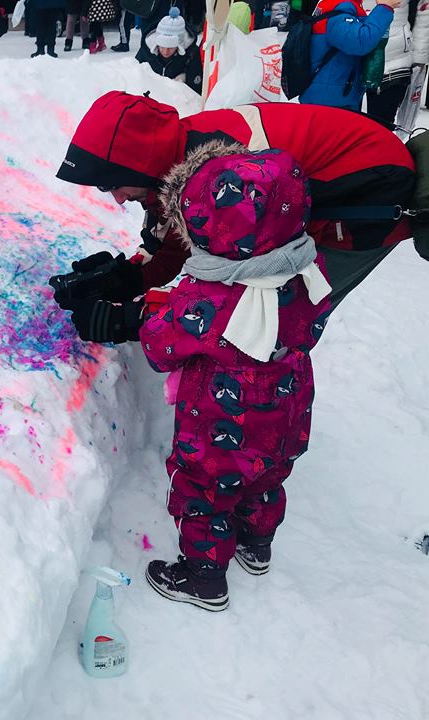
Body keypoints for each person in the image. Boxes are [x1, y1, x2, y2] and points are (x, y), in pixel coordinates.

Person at [140, 147, 331, 611]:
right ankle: (256, 545)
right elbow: (316, 320)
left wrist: (151, 315)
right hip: (289, 398)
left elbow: (159, 348)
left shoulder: (213, 294)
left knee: (207, 491)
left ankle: (203, 578)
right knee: (267, 477)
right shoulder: (307, 267)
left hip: (222, 418)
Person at [54, 91, 416, 333]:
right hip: (344, 179)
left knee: (275, 325)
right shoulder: (176, 157)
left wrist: (133, 320)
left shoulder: (235, 177)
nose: (116, 198)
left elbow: (240, 302)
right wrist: (128, 278)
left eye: (112, 184)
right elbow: (182, 237)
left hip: (366, 200)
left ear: (137, 167)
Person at [300, 0, 399, 110]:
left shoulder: (342, 8)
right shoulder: (338, 10)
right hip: (329, 102)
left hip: (333, 95)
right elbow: (361, 42)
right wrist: (384, 8)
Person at [364, 0, 429, 125]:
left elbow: (424, 14)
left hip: (392, 60)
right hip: (348, 53)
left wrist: (419, 59)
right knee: (343, 123)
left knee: (380, 125)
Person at [141, 7, 203, 93]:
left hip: (177, 97)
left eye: (170, 48)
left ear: (179, 46)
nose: (165, 52)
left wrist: (187, 78)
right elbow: (134, 69)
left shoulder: (191, 52)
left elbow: (197, 86)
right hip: (151, 93)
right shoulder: (147, 48)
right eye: (162, 47)